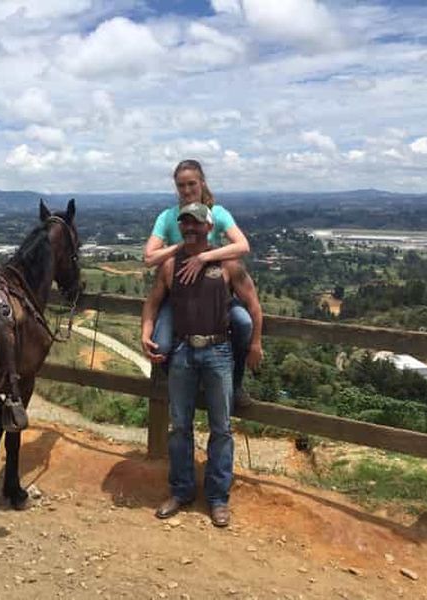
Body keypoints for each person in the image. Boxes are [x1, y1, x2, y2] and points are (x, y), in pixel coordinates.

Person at [141, 203, 263, 528]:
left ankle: (218, 498)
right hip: (183, 351)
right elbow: (153, 303)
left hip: (219, 352)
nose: (190, 229)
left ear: (209, 228)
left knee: (221, 429)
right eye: (186, 224)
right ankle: (181, 491)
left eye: (196, 224)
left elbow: (253, 306)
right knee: (179, 426)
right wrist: (145, 331)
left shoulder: (227, 264)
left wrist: (254, 344)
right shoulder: (169, 265)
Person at [144, 159, 254, 405]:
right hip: (178, 297)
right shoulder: (168, 217)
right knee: (160, 346)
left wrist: (204, 256)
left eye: (191, 184)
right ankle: (185, 384)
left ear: (202, 183)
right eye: (180, 185)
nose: (186, 190)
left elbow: (243, 245)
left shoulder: (218, 214)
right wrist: (184, 246)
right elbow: (149, 257)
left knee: (243, 324)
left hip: (217, 295)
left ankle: (235, 384)